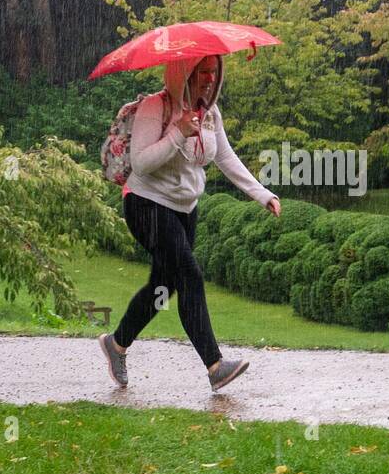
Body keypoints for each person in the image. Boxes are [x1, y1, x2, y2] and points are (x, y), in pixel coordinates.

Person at [99, 54, 280, 391]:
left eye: (214, 72)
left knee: (163, 288)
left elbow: (225, 157)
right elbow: (141, 163)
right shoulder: (156, 108)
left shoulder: (209, 113)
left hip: (184, 209)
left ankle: (117, 343)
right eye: (203, 73)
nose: (210, 79)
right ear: (184, 73)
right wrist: (178, 134)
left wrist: (262, 194)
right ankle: (215, 366)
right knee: (190, 275)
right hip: (146, 205)